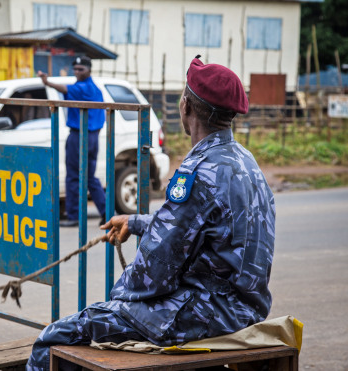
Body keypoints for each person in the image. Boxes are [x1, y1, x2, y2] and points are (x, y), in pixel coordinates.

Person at [26, 55, 276, 370]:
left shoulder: (199, 172)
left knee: (52, 340)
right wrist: (136, 222)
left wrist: (117, 299)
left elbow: (155, 268)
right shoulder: (245, 162)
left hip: (208, 312)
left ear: (185, 106)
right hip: (247, 307)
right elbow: (200, 224)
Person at [37, 56, 107, 227]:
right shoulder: (95, 88)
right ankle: (107, 212)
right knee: (90, 177)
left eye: (80, 69)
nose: (77, 72)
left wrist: (47, 82)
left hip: (80, 136)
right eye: (75, 69)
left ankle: (73, 215)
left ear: (89, 70)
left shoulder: (85, 87)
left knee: (73, 176)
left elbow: (64, 89)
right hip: (92, 137)